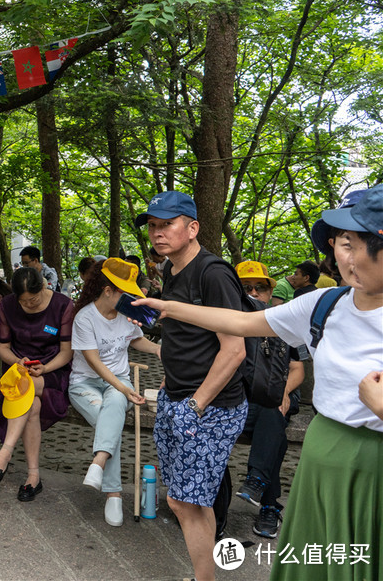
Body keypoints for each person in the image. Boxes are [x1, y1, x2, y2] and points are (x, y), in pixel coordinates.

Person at [136, 183, 383, 581]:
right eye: (341, 242)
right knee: (318, 561)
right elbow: (240, 323)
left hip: (372, 459)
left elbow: (233, 349)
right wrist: (167, 306)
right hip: (323, 451)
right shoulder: (323, 303)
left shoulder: (212, 271)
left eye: (355, 243)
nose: (343, 255)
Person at [134, 190, 247, 581]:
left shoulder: (213, 274)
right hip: (177, 397)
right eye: (152, 226)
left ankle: (205, 578)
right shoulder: (170, 270)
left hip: (210, 408)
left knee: (183, 501)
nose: (157, 233)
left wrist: (195, 404)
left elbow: (234, 351)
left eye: (167, 224)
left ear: (193, 227)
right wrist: (172, 377)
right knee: (189, 501)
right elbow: (185, 336)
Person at [67, 259, 162, 526]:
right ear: (107, 290)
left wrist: (156, 349)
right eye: (124, 290)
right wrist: (124, 389)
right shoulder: (85, 317)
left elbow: (136, 338)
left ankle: (98, 465)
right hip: (86, 384)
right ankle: (114, 493)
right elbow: (94, 362)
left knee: (112, 411)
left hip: (119, 382)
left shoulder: (127, 312)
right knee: (110, 416)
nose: (130, 296)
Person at [0, 265, 74, 501]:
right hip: (18, 370)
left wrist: (44, 368)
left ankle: (4, 454)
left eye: (33, 300)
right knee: (32, 405)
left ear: (43, 286)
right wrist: (18, 362)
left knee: (28, 389)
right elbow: (2, 348)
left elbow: (67, 352)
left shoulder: (62, 305)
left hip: (52, 371)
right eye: (23, 302)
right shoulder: (7, 305)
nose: (29, 305)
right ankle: (33, 476)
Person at [231, 259, 307, 539]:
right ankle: (268, 501)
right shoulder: (230, 323)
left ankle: (257, 483)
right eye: (246, 288)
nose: (253, 293)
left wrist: (283, 391)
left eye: (259, 288)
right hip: (242, 402)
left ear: (269, 292)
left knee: (272, 410)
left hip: (278, 396)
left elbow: (298, 370)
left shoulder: (289, 322)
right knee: (275, 435)